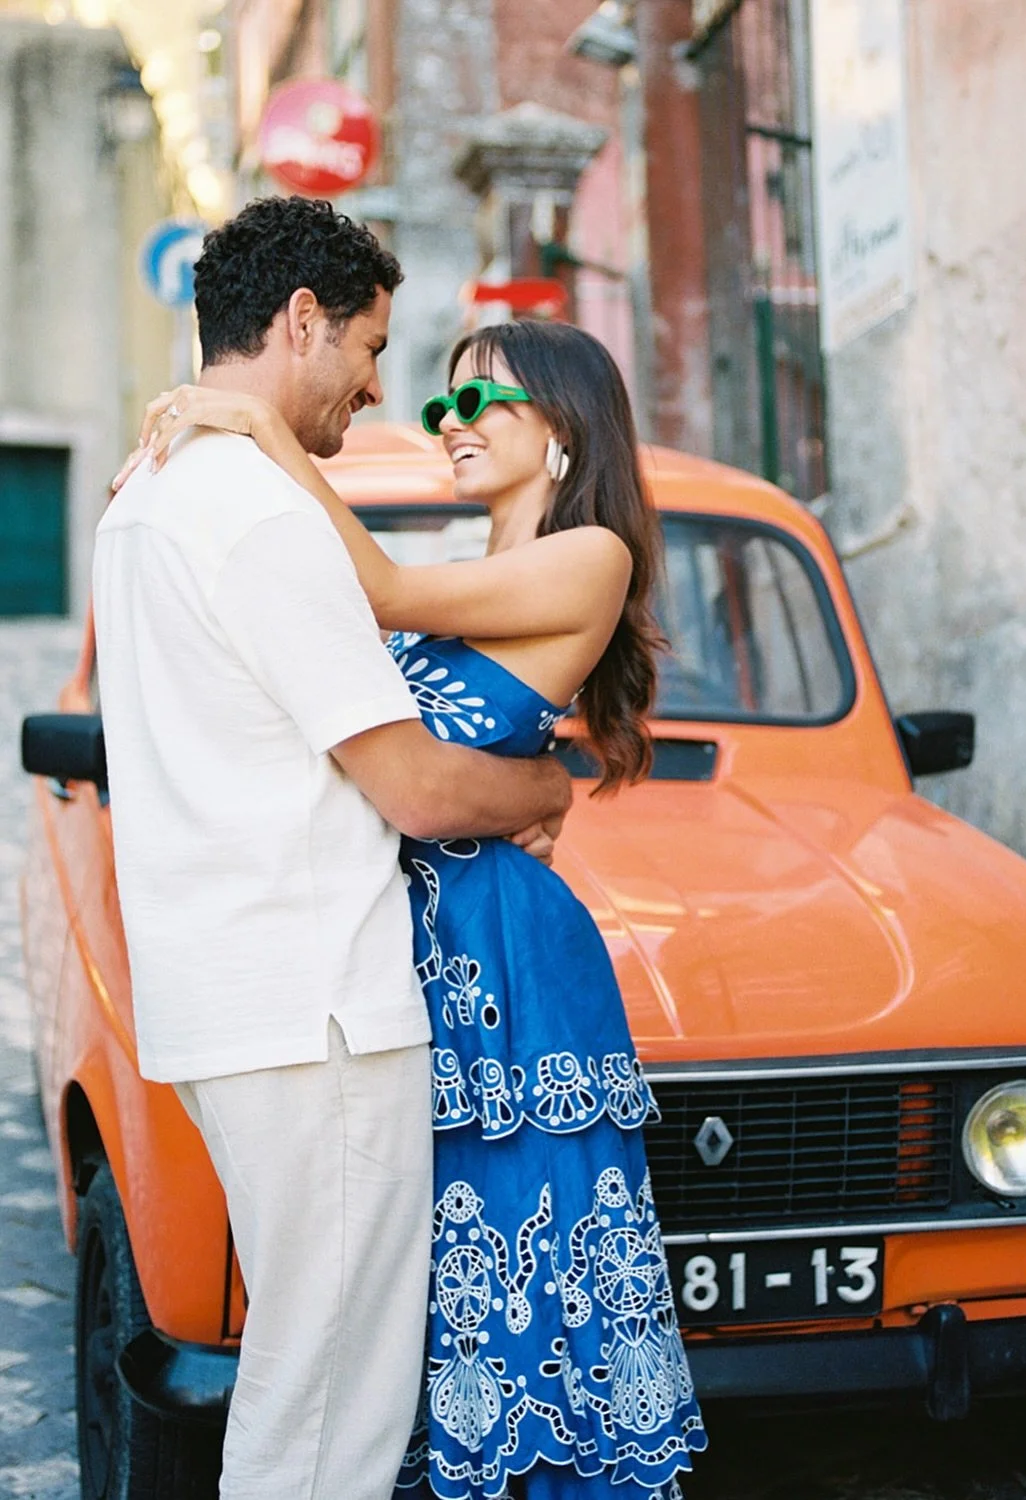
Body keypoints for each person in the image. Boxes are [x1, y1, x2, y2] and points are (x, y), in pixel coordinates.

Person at [135, 318, 708, 1498]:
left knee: (521, 1253)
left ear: (564, 428)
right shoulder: (466, 564)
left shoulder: (587, 553)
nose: (452, 424)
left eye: (482, 402)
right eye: (443, 404)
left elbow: (378, 587)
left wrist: (253, 426)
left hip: (502, 953)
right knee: (421, 1273)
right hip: (406, 945)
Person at [94, 197, 572, 1500]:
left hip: (228, 1002)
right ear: (299, 321)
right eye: (365, 347)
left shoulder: (144, 496)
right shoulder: (256, 509)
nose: (375, 386)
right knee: (332, 1416)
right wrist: (541, 786)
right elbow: (411, 784)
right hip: (317, 1015)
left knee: (296, 1387)